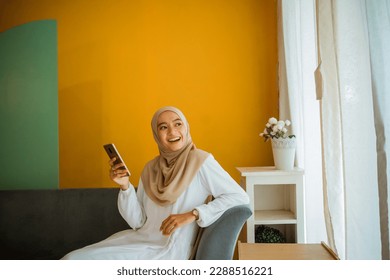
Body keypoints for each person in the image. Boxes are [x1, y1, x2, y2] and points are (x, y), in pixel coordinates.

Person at [61, 106, 249, 260]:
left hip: (169, 251)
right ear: (156, 135)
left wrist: (193, 214)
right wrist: (125, 186)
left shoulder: (201, 161)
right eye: (163, 127)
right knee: (73, 259)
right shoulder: (150, 168)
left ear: (186, 128)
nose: (173, 131)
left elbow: (239, 196)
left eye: (178, 124)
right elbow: (138, 222)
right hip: (139, 242)